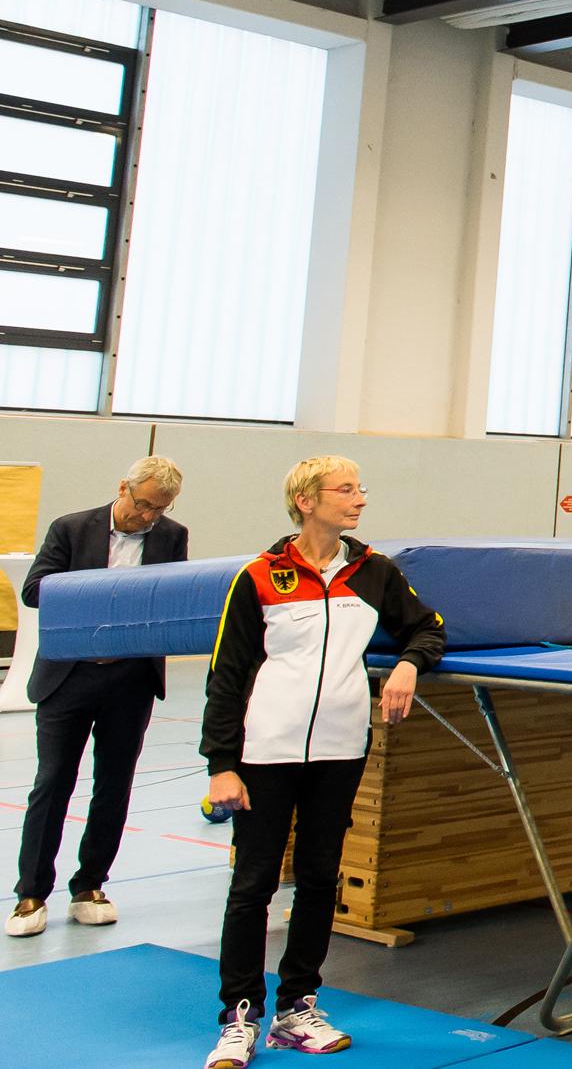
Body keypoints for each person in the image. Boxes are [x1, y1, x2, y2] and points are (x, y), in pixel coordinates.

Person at [201, 457, 443, 1068]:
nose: (359, 499)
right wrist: (221, 763)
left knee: (318, 878)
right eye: (345, 490)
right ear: (306, 501)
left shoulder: (375, 572)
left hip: (340, 750)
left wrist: (409, 664)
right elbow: (225, 675)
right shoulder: (260, 576)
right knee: (253, 883)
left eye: (361, 488)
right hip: (264, 752)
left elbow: (428, 629)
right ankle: (238, 1017)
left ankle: (296, 1008)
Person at [10, 456, 189, 939]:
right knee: (52, 783)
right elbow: (34, 590)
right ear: (123, 487)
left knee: (114, 785)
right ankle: (31, 893)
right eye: (143, 504)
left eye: (160, 509)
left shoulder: (172, 536)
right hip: (68, 678)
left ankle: (90, 885)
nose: (148, 516)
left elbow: (173, 596)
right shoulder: (70, 528)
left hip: (130, 680)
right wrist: (105, 594)